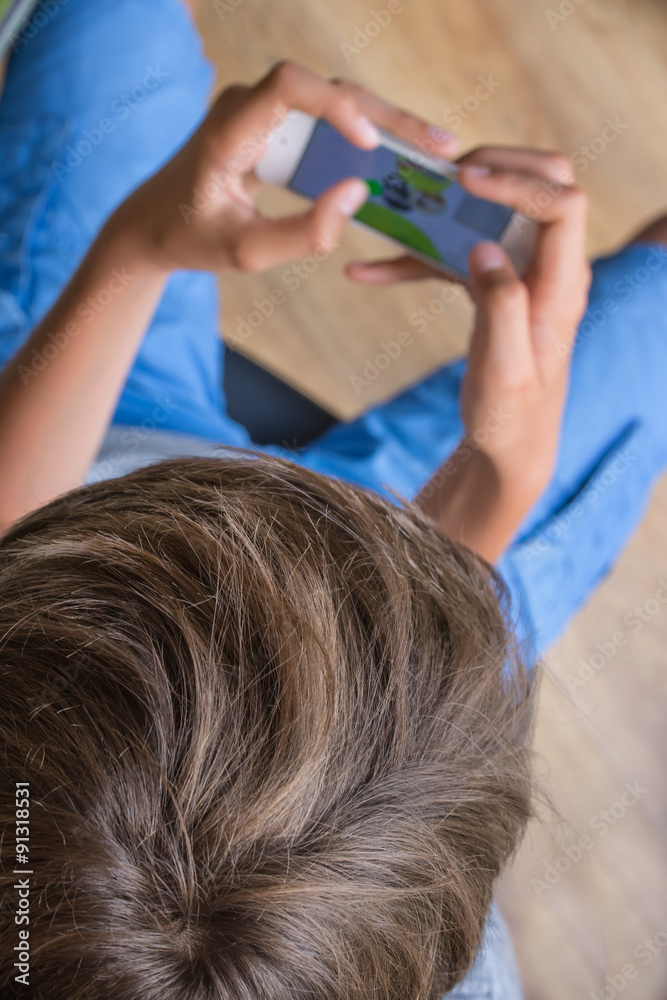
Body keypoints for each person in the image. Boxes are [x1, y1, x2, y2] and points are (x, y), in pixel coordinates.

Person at [0, 0, 666, 997]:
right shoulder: (427, 936)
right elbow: (442, 730)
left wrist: (136, 247)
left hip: (75, 475)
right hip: (423, 672)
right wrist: (495, 488)